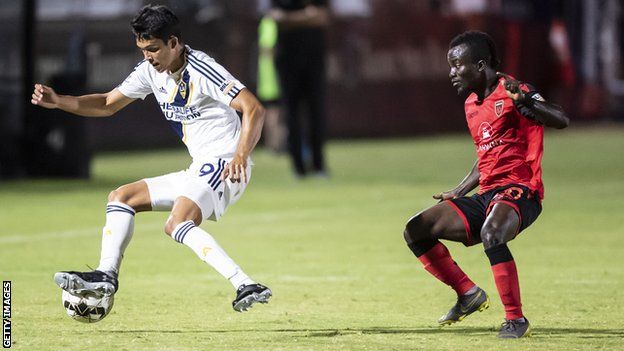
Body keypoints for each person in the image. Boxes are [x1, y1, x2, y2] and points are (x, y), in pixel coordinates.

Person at [31, 4, 272, 313]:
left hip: (225, 163)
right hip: (201, 167)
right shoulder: (150, 71)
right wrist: (59, 101)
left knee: (177, 222)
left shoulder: (202, 69)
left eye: (154, 49)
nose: (148, 56)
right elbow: (107, 103)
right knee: (122, 197)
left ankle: (244, 283)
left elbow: (253, 108)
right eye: (143, 49)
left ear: (174, 42)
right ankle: (106, 275)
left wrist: (240, 154)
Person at [402, 31, 569, 338]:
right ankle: (468, 294)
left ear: (480, 65)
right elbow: (486, 155)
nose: (452, 72)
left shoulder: (514, 90)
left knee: (492, 233)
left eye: (457, 64)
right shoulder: (471, 104)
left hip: (522, 191)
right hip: (488, 195)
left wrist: (529, 104)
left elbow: (560, 119)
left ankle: (515, 319)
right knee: (416, 229)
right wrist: (459, 191)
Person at [270, 0, 329, 177]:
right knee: (291, 115)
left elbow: (322, 17)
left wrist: (291, 19)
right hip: (287, 61)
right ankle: (298, 168)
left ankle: (319, 166)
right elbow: (276, 18)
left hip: (314, 60)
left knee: (316, 113)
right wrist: (306, 16)